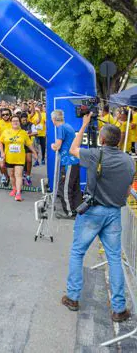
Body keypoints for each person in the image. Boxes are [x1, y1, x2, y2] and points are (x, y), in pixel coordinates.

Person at [62, 114, 134, 323]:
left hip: (93, 211)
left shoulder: (96, 155)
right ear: (118, 141)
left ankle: (73, 297)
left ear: (102, 140)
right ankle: (119, 309)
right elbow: (128, 188)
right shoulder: (128, 160)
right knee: (114, 259)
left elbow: (73, 150)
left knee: (77, 252)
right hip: (114, 213)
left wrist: (84, 125)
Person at [51, 109, 83, 218]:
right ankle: (78, 210)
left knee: (64, 187)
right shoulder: (68, 126)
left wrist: (52, 146)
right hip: (74, 160)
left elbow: (57, 146)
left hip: (69, 161)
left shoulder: (61, 128)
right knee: (74, 187)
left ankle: (69, 212)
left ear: (54, 119)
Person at [0, 114, 37, 201]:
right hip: (9, 157)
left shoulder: (23, 133)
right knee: (11, 175)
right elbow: (0, 142)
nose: (15, 122)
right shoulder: (6, 132)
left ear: (19, 122)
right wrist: (2, 152)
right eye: (13, 121)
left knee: (18, 175)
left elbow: (29, 144)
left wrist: (34, 152)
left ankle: (18, 193)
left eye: (17, 121)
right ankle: (14, 188)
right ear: (11, 123)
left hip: (19, 158)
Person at [0, 107, 13, 184]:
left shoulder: (13, 122)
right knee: (1, 164)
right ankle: (5, 175)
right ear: (1, 116)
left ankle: (15, 178)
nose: (5, 116)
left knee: (12, 164)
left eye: (7, 114)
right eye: (3, 114)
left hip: (12, 145)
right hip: (1, 145)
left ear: (10, 115)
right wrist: (1, 149)